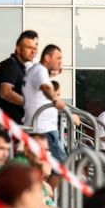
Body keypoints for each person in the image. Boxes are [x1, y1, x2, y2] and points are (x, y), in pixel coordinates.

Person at [23, 44, 67, 190]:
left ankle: (40, 195)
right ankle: (44, 196)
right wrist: (55, 99)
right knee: (60, 167)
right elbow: (46, 87)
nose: (60, 61)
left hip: (41, 128)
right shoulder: (40, 70)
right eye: (58, 58)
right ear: (47, 57)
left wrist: (51, 76)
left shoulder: (37, 71)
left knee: (43, 168)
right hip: (43, 130)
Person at [0, 30, 39, 124]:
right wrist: (29, 103)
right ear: (18, 49)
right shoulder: (10, 65)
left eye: (35, 48)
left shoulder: (22, 68)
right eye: (29, 47)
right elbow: (5, 92)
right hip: (9, 125)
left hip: (19, 124)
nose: (33, 52)